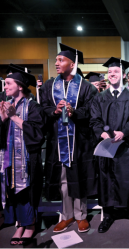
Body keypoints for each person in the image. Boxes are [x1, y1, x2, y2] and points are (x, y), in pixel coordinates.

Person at [40, 43, 98, 233]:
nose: (56, 63)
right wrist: (54, 111)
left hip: (80, 140)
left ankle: (81, 215)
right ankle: (66, 215)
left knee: (79, 177)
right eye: (56, 59)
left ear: (72, 64)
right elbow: (44, 109)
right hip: (58, 140)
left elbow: (91, 111)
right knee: (63, 180)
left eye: (61, 60)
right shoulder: (50, 85)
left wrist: (75, 112)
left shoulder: (86, 87)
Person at [90, 57, 129, 233]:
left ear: (123, 75)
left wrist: (124, 132)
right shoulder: (99, 98)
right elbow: (94, 120)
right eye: (110, 72)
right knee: (107, 179)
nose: (112, 74)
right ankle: (108, 215)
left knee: (128, 178)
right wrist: (101, 133)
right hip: (106, 146)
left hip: (126, 146)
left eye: (116, 72)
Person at [0, 65, 44, 245]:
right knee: (12, 191)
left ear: (20, 86)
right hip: (7, 157)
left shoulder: (33, 107)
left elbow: (37, 134)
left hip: (27, 159)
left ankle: (30, 224)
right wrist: (2, 118)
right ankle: (20, 224)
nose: (5, 87)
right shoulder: (6, 105)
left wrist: (13, 117)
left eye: (8, 83)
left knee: (26, 191)